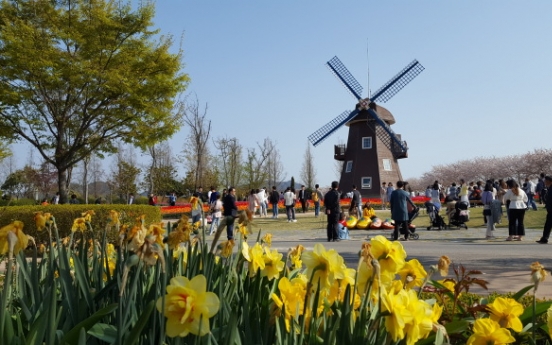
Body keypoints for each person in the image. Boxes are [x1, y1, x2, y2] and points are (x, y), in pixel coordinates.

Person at [537, 176, 552, 244]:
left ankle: (544, 238)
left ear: (550, 181)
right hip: (550, 209)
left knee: (548, 224)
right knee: (548, 224)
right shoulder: (548, 188)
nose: (544, 182)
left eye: (546, 180)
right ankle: (544, 238)